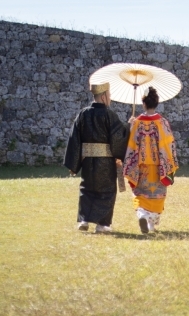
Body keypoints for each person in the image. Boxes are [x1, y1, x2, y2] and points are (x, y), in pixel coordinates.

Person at [64, 82, 129, 233]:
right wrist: (129, 126)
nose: (110, 98)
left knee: (87, 188)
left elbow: (74, 138)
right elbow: (119, 136)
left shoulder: (83, 114)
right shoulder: (109, 115)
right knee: (106, 190)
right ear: (104, 95)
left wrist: (73, 165)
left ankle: (84, 220)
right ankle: (103, 224)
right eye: (110, 95)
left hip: (87, 160)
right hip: (105, 161)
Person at [123, 87, 178, 234]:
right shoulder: (163, 122)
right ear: (156, 103)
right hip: (159, 167)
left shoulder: (137, 122)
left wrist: (131, 126)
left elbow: (132, 144)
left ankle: (142, 214)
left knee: (141, 193)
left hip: (141, 167)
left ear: (144, 104)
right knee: (157, 195)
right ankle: (151, 224)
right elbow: (169, 144)